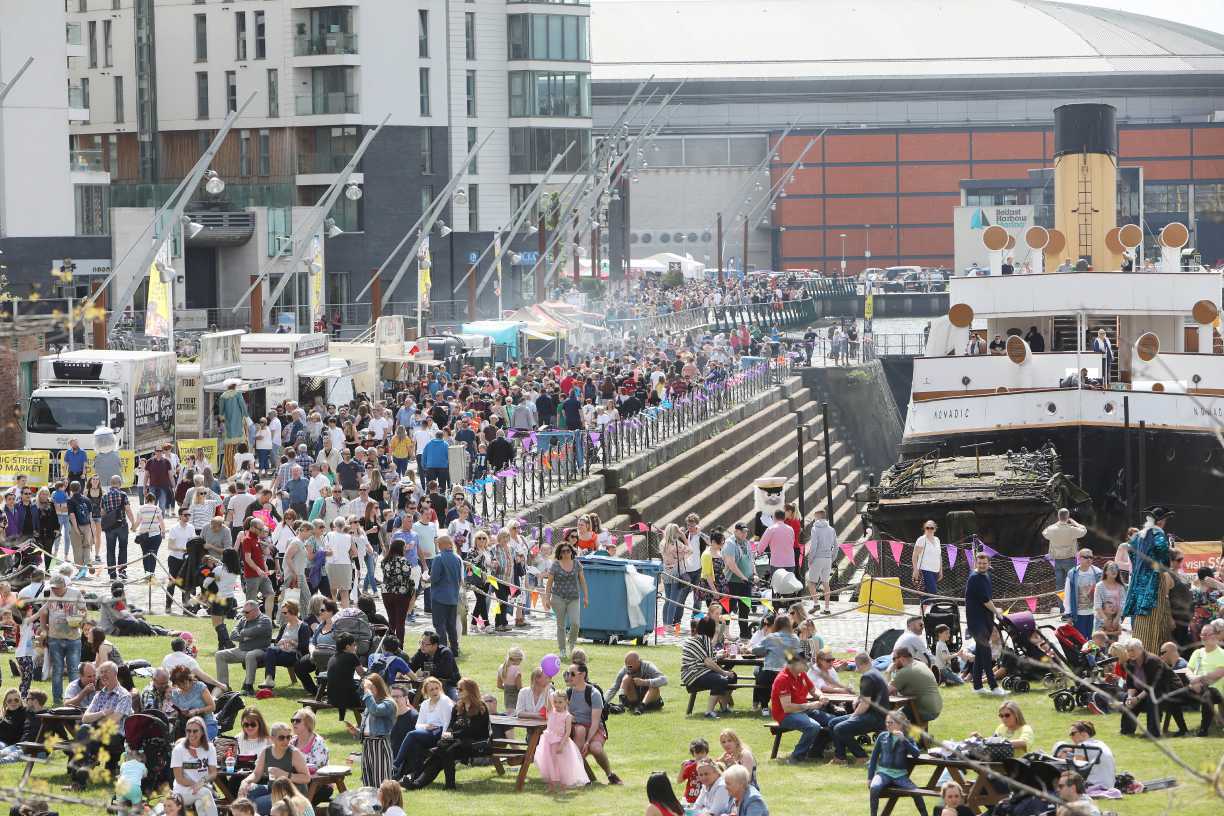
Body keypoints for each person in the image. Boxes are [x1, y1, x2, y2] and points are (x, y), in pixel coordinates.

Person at [404, 677, 490, 790]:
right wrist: (448, 734)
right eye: (457, 689)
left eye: (460, 689)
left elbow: (474, 730)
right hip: (457, 742)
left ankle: (417, 779)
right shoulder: (458, 706)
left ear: (469, 690)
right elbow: (450, 726)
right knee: (442, 752)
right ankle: (417, 784)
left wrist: (453, 735)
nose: (457, 691)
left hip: (476, 743)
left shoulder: (480, 707)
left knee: (442, 751)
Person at [1123, 507, 1175, 651]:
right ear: (1161, 521)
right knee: (1152, 619)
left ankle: (1140, 651)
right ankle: (1149, 654)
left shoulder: (1138, 535)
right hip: (1153, 582)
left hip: (1138, 582)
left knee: (1141, 619)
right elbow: (1163, 552)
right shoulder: (1158, 534)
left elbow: (1131, 550)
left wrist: (1139, 568)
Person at [565, 661, 622, 785]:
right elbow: (564, 714)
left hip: (593, 728)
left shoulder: (593, 694)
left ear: (582, 675)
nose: (569, 677)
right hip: (577, 729)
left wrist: (587, 741)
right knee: (576, 736)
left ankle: (610, 775)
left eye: (572, 674)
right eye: (567, 673)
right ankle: (577, 777)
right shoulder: (568, 693)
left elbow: (595, 722)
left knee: (595, 748)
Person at [238, 721, 311, 816]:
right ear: (272, 739)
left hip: (290, 794)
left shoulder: (294, 753)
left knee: (257, 804)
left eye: (289, 737)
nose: (286, 741)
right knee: (246, 794)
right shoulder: (266, 752)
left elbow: (306, 778)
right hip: (272, 789)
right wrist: (245, 782)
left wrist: (284, 774)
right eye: (281, 738)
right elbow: (256, 774)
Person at [828, 652, 889, 765]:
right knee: (832, 723)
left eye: (856, 665)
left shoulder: (867, 677)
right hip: (880, 715)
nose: (856, 669)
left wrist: (853, 717)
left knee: (839, 728)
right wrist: (858, 698)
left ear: (860, 664)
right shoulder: (876, 673)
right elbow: (868, 695)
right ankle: (840, 757)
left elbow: (865, 704)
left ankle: (861, 756)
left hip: (874, 717)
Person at [770, 652, 830, 763]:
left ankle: (815, 752)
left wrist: (821, 696)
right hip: (785, 715)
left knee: (832, 721)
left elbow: (813, 689)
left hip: (803, 710)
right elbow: (787, 708)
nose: (807, 666)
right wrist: (810, 705)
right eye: (804, 663)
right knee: (813, 726)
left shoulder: (801, 674)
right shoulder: (783, 679)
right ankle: (796, 757)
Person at [867, 710, 926, 816]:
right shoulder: (882, 736)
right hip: (883, 773)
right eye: (887, 722)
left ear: (900, 724)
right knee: (874, 787)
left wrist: (904, 740)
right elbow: (873, 758)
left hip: (900, 775)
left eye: (891, 723)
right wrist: (870, 777)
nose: (888, 725)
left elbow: (916, 754)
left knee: (917, 793)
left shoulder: (908, 737)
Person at [38, 573, 85, 706]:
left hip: (73, 637)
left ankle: (74, 700)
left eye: (57, 588)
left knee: (74, 670)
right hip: (55, 638)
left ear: (65, 586)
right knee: (57, 670)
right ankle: (57, 701)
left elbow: (84, 611)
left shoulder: (75, 593)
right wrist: (43, 629)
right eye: (53, 587)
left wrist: (78, 620)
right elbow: (43, 611)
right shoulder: (48, 593)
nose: (55, 590)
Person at [394, 676, 453, 779]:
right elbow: (418, 725)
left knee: (411, 734)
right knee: (415, 745)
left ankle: (396, 764)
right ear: (426, 692)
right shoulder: (425, 704)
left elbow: (447, 723)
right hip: (428, 733)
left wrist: (443, 741)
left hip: (441, 733)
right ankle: (408, 776)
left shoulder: (444, 701)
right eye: (431, 689)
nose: (435, 691)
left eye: (437, 688)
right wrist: (426, 726)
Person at [345, 673, 396, 788]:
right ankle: (371, 806)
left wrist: (367, 691)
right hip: (367, 744)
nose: (368, 690)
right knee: (367, 781)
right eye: (366, 687)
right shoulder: (370, 705)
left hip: (380, 745)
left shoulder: (389, 703)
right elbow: (369, 730)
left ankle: (384, 806)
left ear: (379, 686)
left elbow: (376, 711)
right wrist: (357, 732)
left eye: (371, 687)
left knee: (381, 782)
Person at [533, 689, 590, 792]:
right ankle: (552, 785)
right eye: (555, 702)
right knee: (550, 762)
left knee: (561, 764)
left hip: (560, 742)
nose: (557, 704)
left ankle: (563, 785)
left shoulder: (567, 716)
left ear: (566, 702)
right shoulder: (551, 712)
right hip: (548, 742)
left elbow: (567, 732)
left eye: (560, 702)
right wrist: (546, 688)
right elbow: (547, 701)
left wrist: (562, 745)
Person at [964, 552, 1004, 695]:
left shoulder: (986, 575)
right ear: (976, 563)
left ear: (988, 564)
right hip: (976, 621)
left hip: (986, 619)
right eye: (979, 563)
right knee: (986, 653)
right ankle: (994, 687)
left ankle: (978, 687)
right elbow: (985, 600)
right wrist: (998, 612)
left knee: (981, 654)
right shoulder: (975, 578)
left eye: (984, 563)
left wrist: (993, 613)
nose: (982, 566)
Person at [681, 616, 736, 719]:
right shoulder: (701, 639)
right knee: (721, 680)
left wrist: (720, 655)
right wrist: (724, 672)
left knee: (732, 676)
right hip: (693, 675)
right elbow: (708, 662)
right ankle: (709, 712)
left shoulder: (700, 638)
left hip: (699, 672)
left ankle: (724, 708)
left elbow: (708, 656)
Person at [216, 600, 273, 696]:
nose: (244, 614)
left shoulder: (265, 620)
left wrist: (242, 633)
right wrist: (246, 636)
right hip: (241, 650)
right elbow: (233, 635)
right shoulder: (243, 619)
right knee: (220, 655)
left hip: (260, 650)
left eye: (247, 612)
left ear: (255, 610)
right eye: (243, 612)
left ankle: (248, 687)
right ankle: (224, 687)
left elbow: (253, 631)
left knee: (251, 655)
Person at [543, 539, 589, 661]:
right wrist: (547, 599)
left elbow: (582, 581)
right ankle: (562, 650)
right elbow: (549, 583)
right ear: (560, 553)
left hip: (574, 597)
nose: (566, 553)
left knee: (575, 623)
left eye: (568, 551)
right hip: (558, 598)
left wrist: (586, 596)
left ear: (571, 552)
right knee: (561, 625)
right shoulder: (556, 565)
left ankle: (572, 644)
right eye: (563, 551)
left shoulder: (577, 564)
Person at [171, 715, 219, 816]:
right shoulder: (179, 750)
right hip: (182, 791)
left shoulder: (210, 748)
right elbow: (179, 779)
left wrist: (201, 782)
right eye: (188, 731)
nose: (191, 734)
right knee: (205, 793)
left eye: (195, 731)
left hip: (201, 787)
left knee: (200, 804)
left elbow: (213, 772)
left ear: (202, 732)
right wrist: (196, 785)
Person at [1052, 720, 1116, 794]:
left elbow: (1077, 771)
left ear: (1084, 734)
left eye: (1073, 733)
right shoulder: (1100, 744)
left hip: (1094, 784)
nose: (1071, 737)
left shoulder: (1082, 746)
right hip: (1109, 784)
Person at [1043, 509, 1088, 612]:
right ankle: (1071, 608)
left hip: (1057, 561)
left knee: (1059, 586)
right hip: (1069, 560)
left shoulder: (1052, 529)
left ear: (1058, 517)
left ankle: (1062, 609)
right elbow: (1084, 530)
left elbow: (1044, 532)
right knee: (1072, 584)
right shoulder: (1072, 529)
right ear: (1067, 517)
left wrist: (1057, 523)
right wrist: (1074, 522)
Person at [1185, 621, 1224, 736]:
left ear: (1215, 635)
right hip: (1196, 686)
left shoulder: (1222, 654)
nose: (1204, 637)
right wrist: (1192, 679)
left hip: (1215, 690)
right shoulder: (1197, 652)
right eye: (1202, 634)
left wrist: (1198, 680)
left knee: (1208, 695)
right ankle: (1182, 729)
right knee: (1174, 695)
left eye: (1207, 634)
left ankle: (1203, 730)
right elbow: (1188, 669)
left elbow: (1218, 674)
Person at [261, 600, 311, 690]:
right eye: (282, 613)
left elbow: (304, 647)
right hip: (281, 652)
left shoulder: (303, 626)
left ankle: (269, 679)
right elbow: (277, 642)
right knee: (270, 650)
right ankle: (269, 680)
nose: (283, 615)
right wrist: (281, 643)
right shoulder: (284, 626)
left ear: (293, 612)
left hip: (294, 655)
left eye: (285, 613)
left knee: (270, 652)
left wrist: (292, 642)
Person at [889, 645, 942, 728]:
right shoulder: (920, 664)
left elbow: (886, 691)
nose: (893, 662)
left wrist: (888, 671)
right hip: (936, 707)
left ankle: (897, 738)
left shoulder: (905, 671)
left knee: (892, 719)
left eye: (894, 659)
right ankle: (919, 738)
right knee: (903, 711)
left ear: (901, 658)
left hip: (925, 710)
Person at [429, 534, 463, 657]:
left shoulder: (439, 558)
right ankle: (454, 649)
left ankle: (443, 651)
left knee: (439, 625)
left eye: (438, 544)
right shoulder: (457, 558)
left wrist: (428, 578)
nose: (438, 546)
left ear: (442, 545)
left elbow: (434, 578)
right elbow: (459, 579)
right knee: (451, 626)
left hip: (439, 597)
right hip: (453, 597)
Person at [406, 631, 461, 699]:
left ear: (435, 645)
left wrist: (424, 673)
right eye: (421, 643)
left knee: (455, 698)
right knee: (407, 695)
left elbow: (445, 672)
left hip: (448, 685)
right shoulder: (421, 653)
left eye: (425, 644)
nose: (422, 646)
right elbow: (411, 666)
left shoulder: (445, 653)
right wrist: (403, 670)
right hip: (427, 686)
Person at [170, 665, 219, 740]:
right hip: (187, 728)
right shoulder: (176, 693)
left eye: (184, 683)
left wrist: (197, 711)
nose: (182, 686)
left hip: (207, 724)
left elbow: (212, 706)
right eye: (179, 684)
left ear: (189, 678)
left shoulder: (199, 687)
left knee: (198, 742)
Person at [1065, 548, 1103, 639]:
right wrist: (1068, 614)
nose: (1089, 559)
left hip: (1094, 614)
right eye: (1086, 557)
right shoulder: (1072, 574)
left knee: (1094, 640)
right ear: (1079, 558)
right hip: (1078, 614)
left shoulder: (1098, 573)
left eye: (1091, 557)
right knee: (1080, 640)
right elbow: (1067, 595)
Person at [806, 510, 837, 613]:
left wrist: (810, 558)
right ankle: (827, 608)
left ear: (817, 517)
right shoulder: (831, 529)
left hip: (817, 558)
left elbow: (814, 545)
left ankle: (816, 604)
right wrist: (832, 558)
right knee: (826, 583)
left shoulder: (815, 529)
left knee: (811, 582)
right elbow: (836, 547)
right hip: (828, 559)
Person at [289, 707, 329, 773]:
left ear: (308, 723)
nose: (294, 723)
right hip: (295, 778)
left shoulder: (318, 742)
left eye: (298, 721)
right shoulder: (292, 741)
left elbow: (317, 766)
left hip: (317, 781)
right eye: (292, 720)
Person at [911, 520, 943, 595]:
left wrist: (941, 570)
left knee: (925, 594)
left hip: (935, 570)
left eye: (931, 528)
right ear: (924, 528)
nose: (929, 530)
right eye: (927, 528)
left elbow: (939, 556)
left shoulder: (937, 540)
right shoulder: (922, 539)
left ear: (935, 529)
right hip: (925, 570)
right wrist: (915, 569)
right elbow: (915, 555)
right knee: (933, 592)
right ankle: (935, 606)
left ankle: (922, 607)